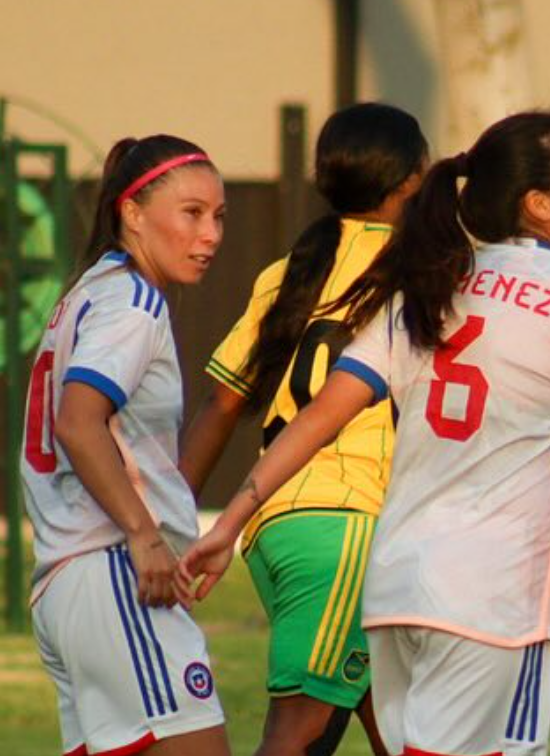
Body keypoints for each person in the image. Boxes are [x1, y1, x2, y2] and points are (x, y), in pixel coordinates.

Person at [182, 104, 550, 756]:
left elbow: (318, 416)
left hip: (395, 583)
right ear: (536, 202)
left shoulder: (425, 291)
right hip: (492, 595)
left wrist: (227, 521)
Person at [179, 103, 429, 756]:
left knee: (405, 733)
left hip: (278, 520)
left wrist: (169, 515)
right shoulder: (425, 273)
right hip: (349, 524)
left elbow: (222, 403)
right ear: (412, 179)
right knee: (296, 732)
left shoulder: (292, 268)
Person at [20, 135, 230, 756]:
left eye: (219, 216)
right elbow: (78, 422)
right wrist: (144, 534)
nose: (211, 233)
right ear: (132, 212)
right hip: (115, 572)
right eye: (192, 213)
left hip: (67, 582)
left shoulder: (88, 293)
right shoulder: (133, 302)